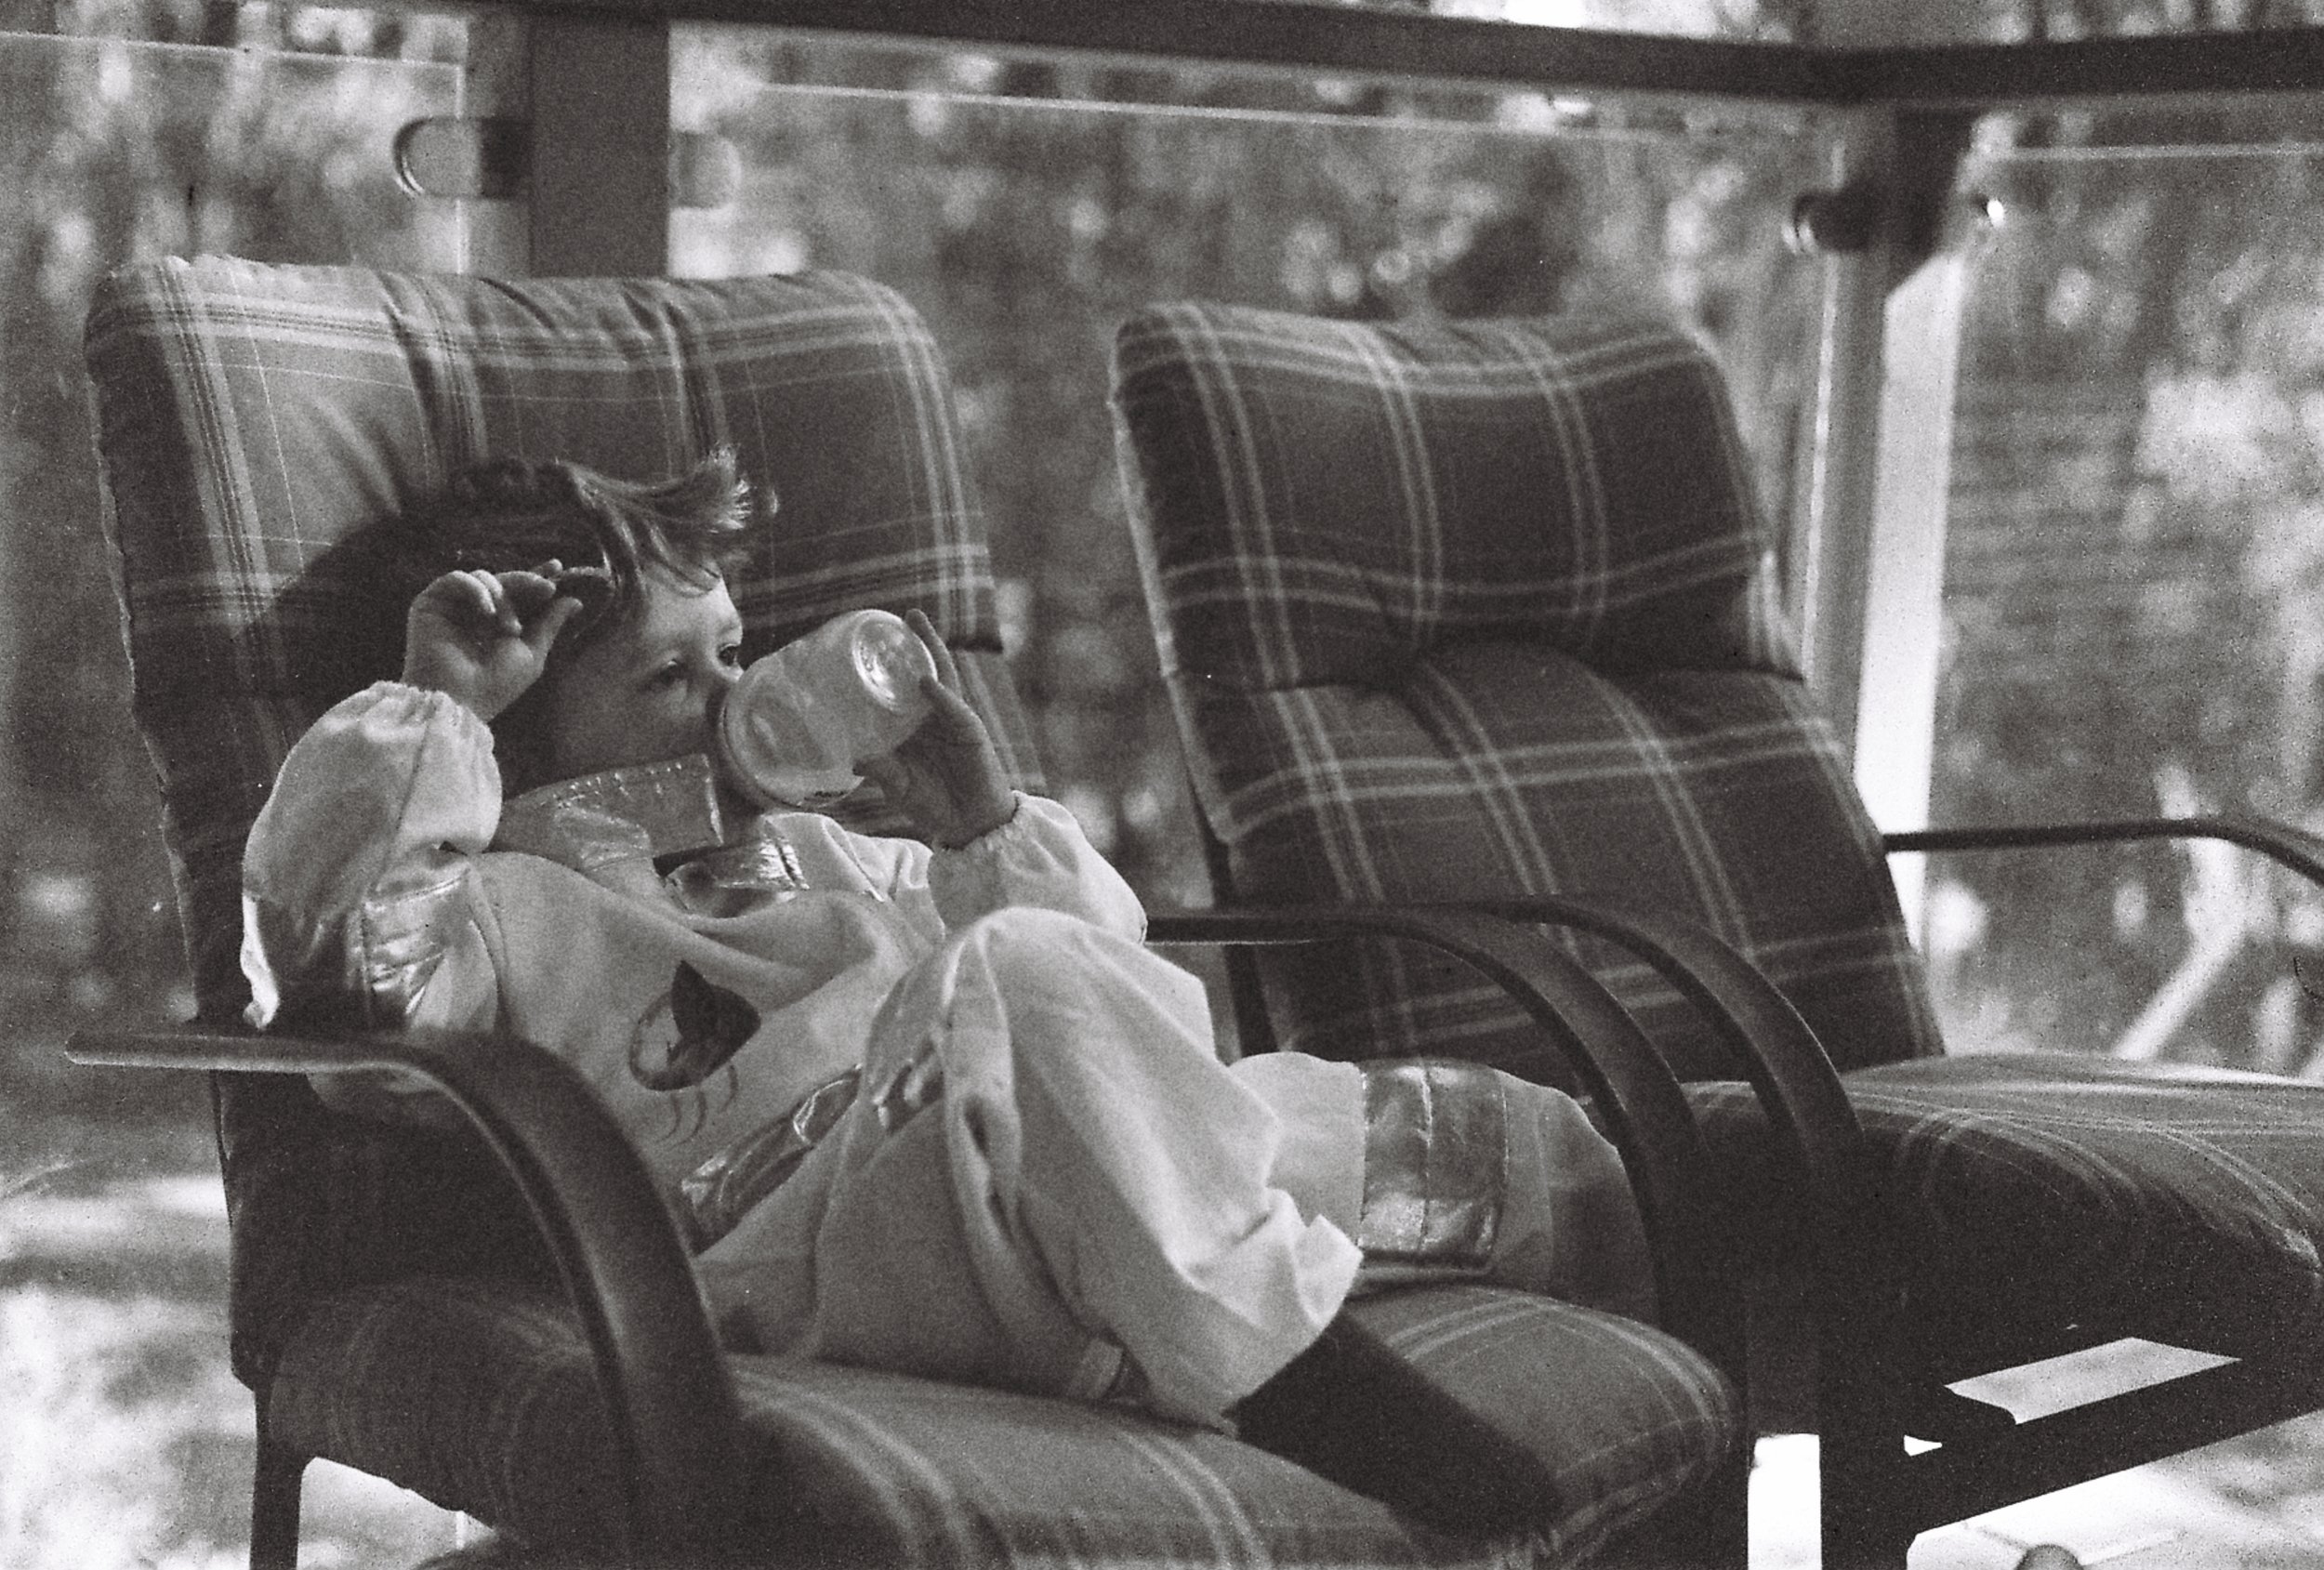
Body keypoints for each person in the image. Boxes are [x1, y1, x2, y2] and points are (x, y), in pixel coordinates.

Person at [238, 449, 1657, 1531]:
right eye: (672, 679)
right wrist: (436, 710)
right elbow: (351, 995)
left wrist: (985, 830)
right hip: (829, 1244)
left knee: (1470, 1133)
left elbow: (1132, 1005)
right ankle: (1297, 1374)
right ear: (522, 733)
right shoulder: (493, 901)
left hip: (1040, 1189)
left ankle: (1685, 1225)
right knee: (1023, 982)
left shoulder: (827, 847)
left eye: (733, 650)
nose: (733, 697)